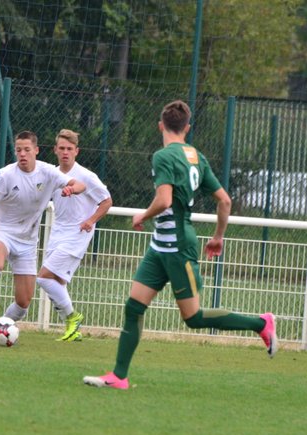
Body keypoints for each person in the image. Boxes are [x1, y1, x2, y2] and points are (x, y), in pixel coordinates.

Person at [83, 100, 277, 390]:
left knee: (194, 318)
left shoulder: (163, 156)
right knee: (134, 307)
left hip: (178, 248)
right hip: (160, 246)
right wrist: (217, 236)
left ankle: (261, 323)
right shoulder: (196, 156)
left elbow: (163, 201)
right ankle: (119, 376)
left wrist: (142, 215)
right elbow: (224, 200)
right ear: (187, 128)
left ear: (161, 125)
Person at [0, 130, 86, 334]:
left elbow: (79, 184)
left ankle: (1, 328)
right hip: (2, 232)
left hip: (27, 241)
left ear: (36, 150)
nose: (22, 154)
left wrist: (71, 189)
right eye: (18, 150)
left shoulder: (48, 172)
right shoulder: (6, 175)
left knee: (23, 303)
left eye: (26, 150)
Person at [36, 129, 112, 342]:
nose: (65, 152)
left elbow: (106, 201)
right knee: (58, 281)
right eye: (62, 148)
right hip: (58, 231)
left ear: (76, 151)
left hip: (78, 233)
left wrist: (90, 220)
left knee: (43, 277)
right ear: (55, 150)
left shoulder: (86, 176)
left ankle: (72, 316)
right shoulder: (52, 174)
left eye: (69, 149)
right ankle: (73, 329)